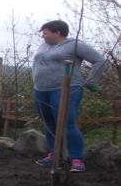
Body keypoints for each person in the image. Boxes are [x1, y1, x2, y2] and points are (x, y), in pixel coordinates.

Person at [33, 20, 105, 172]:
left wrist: (91, 80)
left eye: (45, 33)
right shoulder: (44, 46)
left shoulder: (74, 44)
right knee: (49, 123)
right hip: (41, 89)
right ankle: (54, 155)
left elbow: (99, 60)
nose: (43, 36)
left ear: (57, 32)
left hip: (66, 88)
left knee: (67, 123)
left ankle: (76, 159)